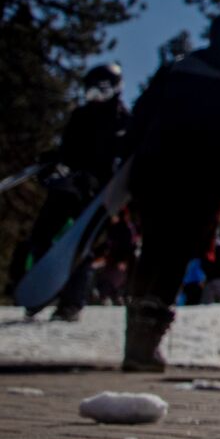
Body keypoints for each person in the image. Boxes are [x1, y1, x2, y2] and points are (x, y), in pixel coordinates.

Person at [121, 11, 220, 371]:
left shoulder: (180, 68)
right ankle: (148, 340)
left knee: (152, 249)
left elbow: (141, 115)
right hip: (206, 184)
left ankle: (135, 337)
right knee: (176, 255)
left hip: (158, 172)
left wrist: (132, 166)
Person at [8, 63, 131, 320]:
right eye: (90, 92)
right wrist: (52, 160)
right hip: (66, 187)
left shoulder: (121, 120)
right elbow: (69, 150)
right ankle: (42, 291)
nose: (94, 98)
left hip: (93, 195)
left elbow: (118, 161)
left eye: (100, 91)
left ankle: (72, 302)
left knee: (79, 244)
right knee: (41, 236)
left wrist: (98, 181)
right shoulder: (81, 116)